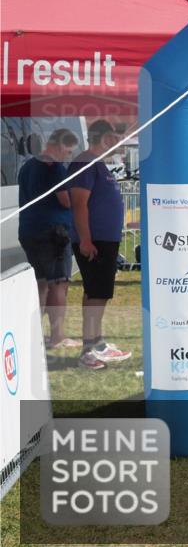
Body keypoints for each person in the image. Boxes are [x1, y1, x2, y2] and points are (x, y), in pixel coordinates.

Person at [68, 120, 132, 370]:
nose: (118, 142)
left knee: (96, 293)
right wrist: (85, 239)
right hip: (94, 241)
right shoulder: (85, 163)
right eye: (115, 137)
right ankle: (88, 350)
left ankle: (97, 343)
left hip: (103, 240)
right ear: (104, 137)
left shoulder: (97, 164)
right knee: (97, 294)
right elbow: (79, 204)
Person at [17, 128, 82, 350]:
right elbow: (65, 200)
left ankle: (34, 334)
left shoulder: (27, 166)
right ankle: (57, 337)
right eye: (68, 151)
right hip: (52, 234)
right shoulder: (54, 167)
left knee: (42, 284)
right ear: (57, 145)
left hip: (29, 230)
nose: (68, 156)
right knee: (58, 284)